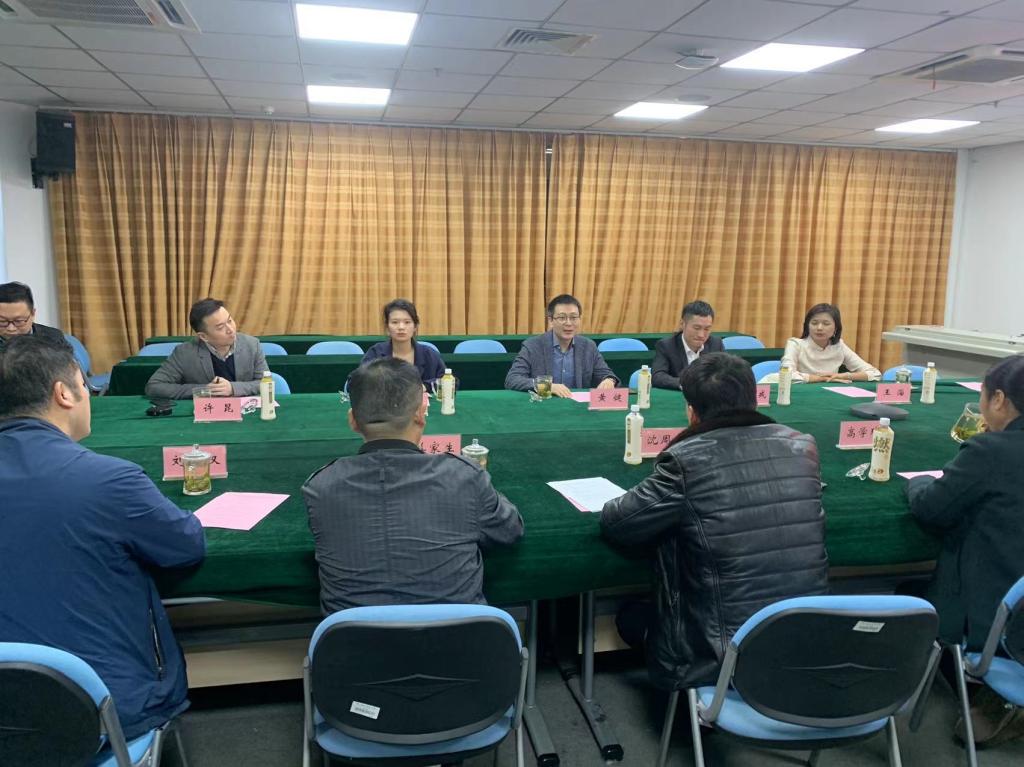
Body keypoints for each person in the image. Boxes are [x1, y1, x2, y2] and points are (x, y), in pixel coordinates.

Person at [0, 335, 206, 739]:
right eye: (85, 385)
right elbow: (185, 546)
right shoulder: (109, 480)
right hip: (98, 709)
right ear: (64, 393)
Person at [600, 352, 828, 689]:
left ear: (692, 412)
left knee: (632, 617)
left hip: (717, 654)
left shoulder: (686, 459)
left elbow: (619, 523)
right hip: (808, 637)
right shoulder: (802, 447)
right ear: (753, 399)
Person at [303, 358, 523, 614]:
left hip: (351, 639)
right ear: (420, 414)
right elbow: (510, 530)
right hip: (459, 638)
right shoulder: (464, 476)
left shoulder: (320, 487)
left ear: (352, 420)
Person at [907, 354, 1024, 649]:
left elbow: (931, 509)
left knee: (907, 594)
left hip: (996, 625)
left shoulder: (991, 451)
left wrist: (918, 481)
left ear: (998, 399)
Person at [145, 297, 267, 399]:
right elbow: (154, 386)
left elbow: (265, 383)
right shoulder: (184, 353)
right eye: (220, 327)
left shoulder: (252, 345)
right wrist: (205, 390)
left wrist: (233, 388)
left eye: (230, 321)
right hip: (206, 413)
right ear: (203, 336)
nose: (230, 329)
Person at [504, 294, 618, 397]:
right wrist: (547, 386)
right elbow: (512, 379)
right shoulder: (533, 346)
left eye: (573, 318)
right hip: (544, 406)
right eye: (562, 318)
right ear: (551, 321)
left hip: (577, 407)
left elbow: (606, 374)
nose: (568, 323)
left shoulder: (588, 346)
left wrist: (609, 381)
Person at [358, 298, 446, 388]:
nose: (401, 327)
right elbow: (357, 381)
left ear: (415, 327)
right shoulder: (376, 353)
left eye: (407, 322)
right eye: (395, 322)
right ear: (387, 327)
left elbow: (446, 380)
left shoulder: (429, 354)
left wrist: (424, 386)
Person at [781, 303, 880, 383]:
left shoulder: (839, 346)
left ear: (836, 328)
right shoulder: (795, 344)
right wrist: (821, 378)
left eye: (826, 324)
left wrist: (842, 376)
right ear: (807, 326)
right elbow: (786, 375)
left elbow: (875, 374)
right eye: (814, 323)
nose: (819, 328)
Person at [651, 300, 725, 390]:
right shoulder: (666, 345)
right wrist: (687, 384)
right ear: (682, 324)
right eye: (696, 328)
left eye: (707, 329)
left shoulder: (716, 344)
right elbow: (657, 377)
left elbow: (726, 374)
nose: (701, 335)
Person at [0, 281, 65, 348]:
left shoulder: (53, 338)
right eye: (2, 321)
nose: (11, 329)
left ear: (33, 314)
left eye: (18, 321)